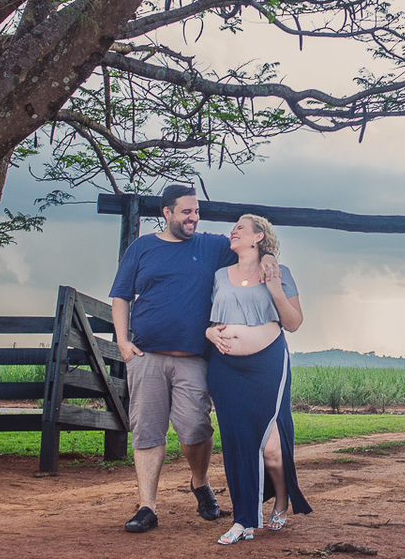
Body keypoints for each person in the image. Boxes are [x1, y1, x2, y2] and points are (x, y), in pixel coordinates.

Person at [110, 184, 278, 534]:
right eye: (186, 212)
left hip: (194, 359)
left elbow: (248, 250)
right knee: (147, 429)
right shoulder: (141, 248)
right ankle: (147, 507)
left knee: (195, 430)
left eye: (197, 212)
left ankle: (199, 482)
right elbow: (122, 296)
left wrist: (268, 257)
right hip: (146, 355)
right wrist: (123, 342)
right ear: (167, 212)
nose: (194, 218)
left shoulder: (211, 245)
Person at [205, 214, 312, 544]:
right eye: (233, 228)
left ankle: (281, 499)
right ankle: (244, 520)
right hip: (225, 369)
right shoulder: (220, 275)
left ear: (259, 237)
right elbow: (210, 320)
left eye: (240, 228)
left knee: (271, 450)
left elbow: (293, 323)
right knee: (237, 443)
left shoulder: (279, 272)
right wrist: (210, 332)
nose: (233, 232)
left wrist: (275, 288)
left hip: (267, 366)